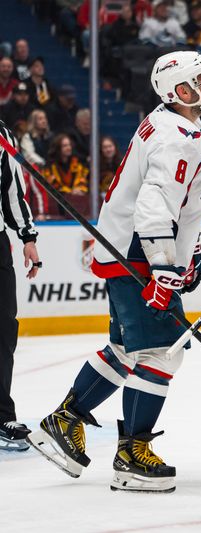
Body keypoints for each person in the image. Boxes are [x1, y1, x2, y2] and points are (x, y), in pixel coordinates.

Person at [26, 51, 201, 493]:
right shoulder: (178, 136)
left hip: (129, 247)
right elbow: (154, 208)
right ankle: (132, 453)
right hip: (138, 253)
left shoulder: (171, 122)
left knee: (125, 346)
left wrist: (188, 249)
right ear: (182, 90)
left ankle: (64, 420)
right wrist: (166, 270)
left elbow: (174, 201)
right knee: (162, 352)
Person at [0, 120, 41, 451]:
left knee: (2, 329)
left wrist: (27, 236)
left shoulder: (1, 131)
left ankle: (1, 416)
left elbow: (12, 189)